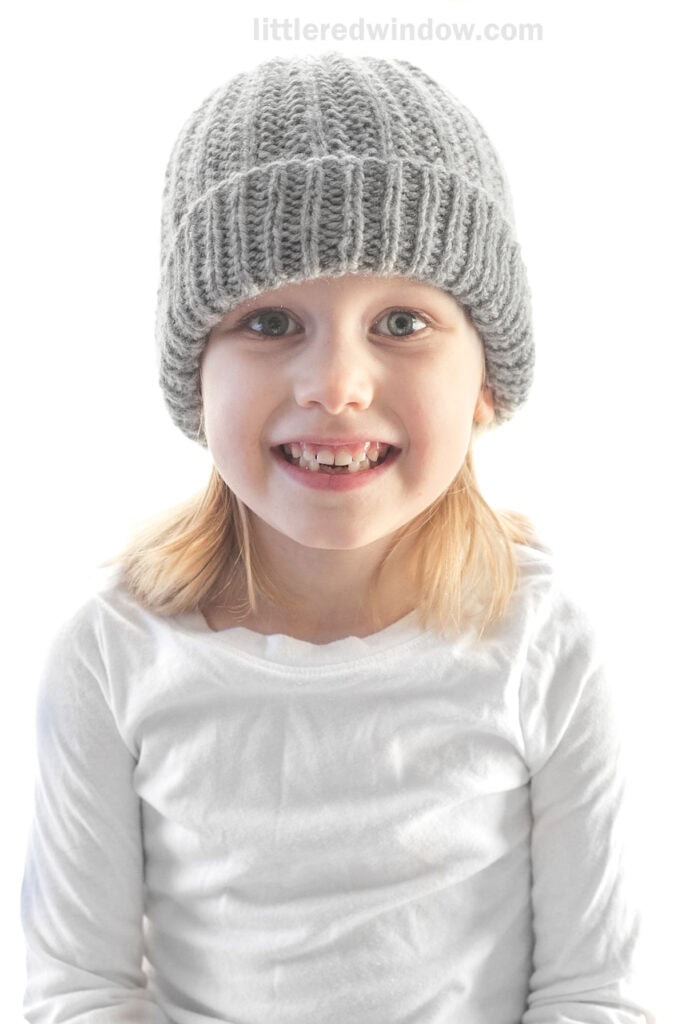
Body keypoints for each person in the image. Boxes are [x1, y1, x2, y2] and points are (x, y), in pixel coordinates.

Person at [19, 51, 654, 1023]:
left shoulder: (544, 642)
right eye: (269, 320)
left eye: (401, 320)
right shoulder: (113, 654)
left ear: (486, 378)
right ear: (195, 373)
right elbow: (80, 985)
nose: (336, 384)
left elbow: (589, 992)